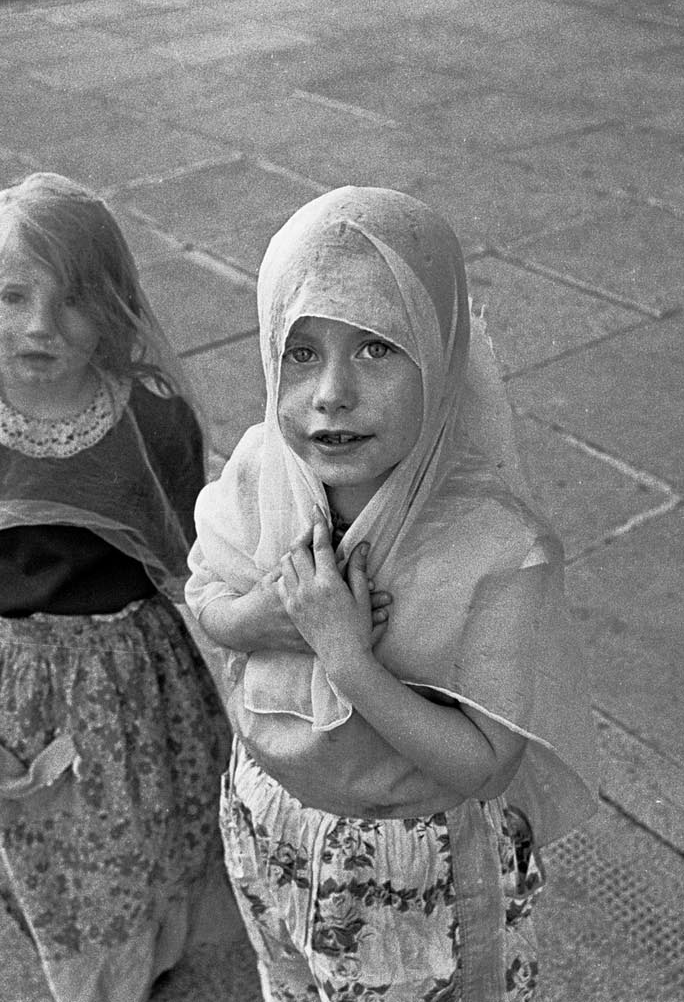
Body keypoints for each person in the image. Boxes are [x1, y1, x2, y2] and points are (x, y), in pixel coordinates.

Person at [186, 187, 600, 1001]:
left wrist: (346, 658)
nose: (332, 392)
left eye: (376, 348)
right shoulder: (264, 467)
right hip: (271, 825)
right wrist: (264, 617)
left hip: (412, 871)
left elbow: (483, 764)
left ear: (441, 359)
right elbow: (203, 597)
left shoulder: (497, 550)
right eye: (301, 352)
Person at [0, 173, 229, 1002]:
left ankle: (152, 950)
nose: (40, 324)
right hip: (25, 671)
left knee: (146, 818)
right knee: (55, 836)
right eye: (13, 295)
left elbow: (184, 551)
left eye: (74, 299)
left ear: (115, 307)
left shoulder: (149, 420)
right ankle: (93, 978)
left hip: (133, 667)